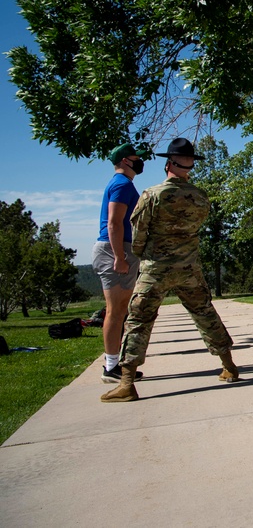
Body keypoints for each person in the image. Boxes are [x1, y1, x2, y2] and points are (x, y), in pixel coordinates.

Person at [100, 138, 240, 403]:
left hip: (156, 267)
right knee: (204, 313)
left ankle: (127, 383)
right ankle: (229, 365)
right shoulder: (201, 197)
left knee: (139, 319)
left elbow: (138, 236)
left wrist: (145, 254)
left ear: (168, 164)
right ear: (190, 165)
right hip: (189, 266)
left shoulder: (152, 195)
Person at [92, 142, 149, 383]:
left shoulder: (123, 184)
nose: (140, 161)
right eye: (136, 158)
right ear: (126, 160)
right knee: (115, 312)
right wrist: (119, 257)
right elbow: (114, 223)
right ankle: (111, 367)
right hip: (115, 250)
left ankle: (117, 364)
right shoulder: (122, 185)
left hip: (121, 249)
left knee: (121, 311)